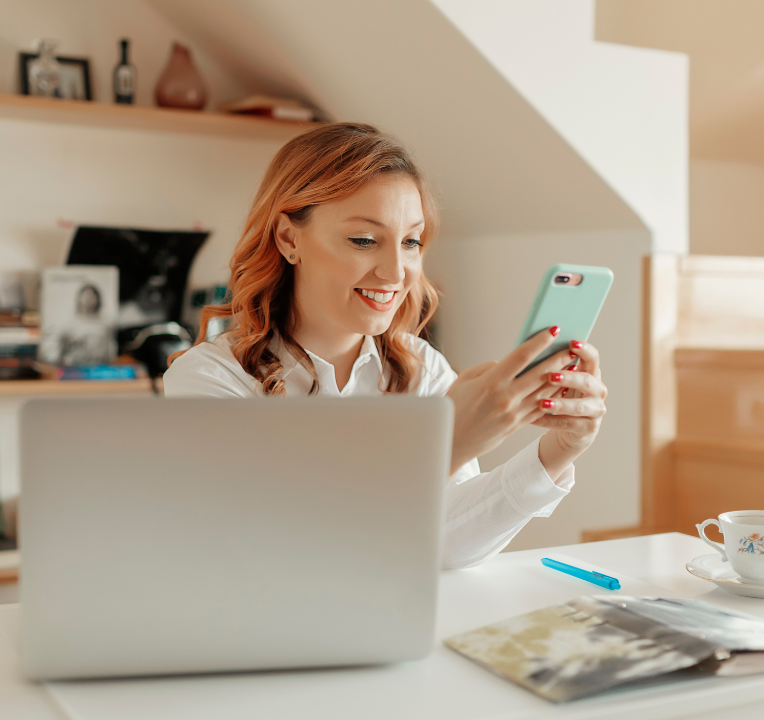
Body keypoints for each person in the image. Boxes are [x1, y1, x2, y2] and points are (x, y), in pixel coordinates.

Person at [164, 123, 607, 569]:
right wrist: (447, 442)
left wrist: (557, 451)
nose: (396, 272)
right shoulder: (209, 381)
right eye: (364, 240)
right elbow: (277, 552)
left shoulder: (421, 368)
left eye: (411, 241)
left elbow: (444, 545)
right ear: (288, 238)